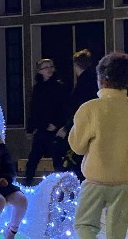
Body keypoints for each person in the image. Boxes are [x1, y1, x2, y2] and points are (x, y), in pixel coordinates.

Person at [68, 52, 128, 239]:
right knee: (117, 231)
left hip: (96, 179)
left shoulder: (90, 108)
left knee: (85, 224)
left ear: (102, 79)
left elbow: (77, 146)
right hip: (124, 181)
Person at [24, 58, 69, 186]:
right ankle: (28, 184)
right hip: (42, 129)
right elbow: (34, 110)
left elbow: (64, 108)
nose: (49, 69)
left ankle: (63, 188)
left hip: (56, 130)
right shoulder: (37, 88)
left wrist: (57, 125)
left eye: (51, 66)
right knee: (33, 159)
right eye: (45, 67)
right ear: (40, 71)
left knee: (58, 161)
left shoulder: (60, 87)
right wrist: (30, 128)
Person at [56, 49, 99, 181]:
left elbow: (79, 108)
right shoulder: (94, 80)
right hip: (92, 125)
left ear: (76, 66)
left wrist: (67, 127)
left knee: (68, 154)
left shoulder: (83, 84)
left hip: (81, 126)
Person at [0, 133, 28, 239]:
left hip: (2, 184)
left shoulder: (0, 146)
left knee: (22, 200)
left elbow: (9, 167)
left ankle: (11, 231)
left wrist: (5, 179)